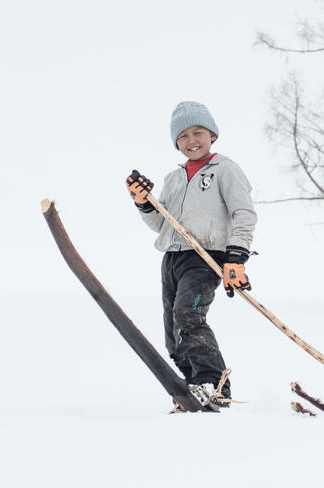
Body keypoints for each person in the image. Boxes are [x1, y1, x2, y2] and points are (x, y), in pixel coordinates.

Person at [125, 101, 257, 410]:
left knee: (188, 316)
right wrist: (144, 203)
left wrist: (235, 258)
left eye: (198, 131)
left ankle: (213, 383)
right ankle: (191, 388)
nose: (191, 140)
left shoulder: (225, 169)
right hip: (172, 258)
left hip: (206, 256)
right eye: (182, 136)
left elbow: (243, 212)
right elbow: (160, 224)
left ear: (212, 135)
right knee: (173, 330)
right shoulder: (174, 178)